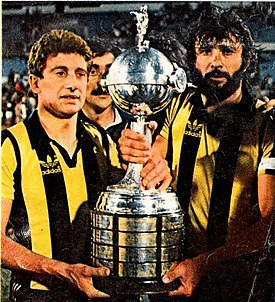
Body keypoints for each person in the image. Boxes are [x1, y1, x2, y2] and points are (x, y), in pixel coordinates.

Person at [118, 5, 275, 301]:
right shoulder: (179, 105)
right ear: (193, 58)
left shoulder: (264, 124)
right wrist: (138, 153)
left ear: (246, 59)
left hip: (233, 277)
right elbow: (156, 155)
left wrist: (205, 263)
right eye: (206, 51)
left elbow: (269, 222)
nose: (216, 61)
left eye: (227, 51)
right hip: (174, 272)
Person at [1, 29, 113, 302]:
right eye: (61, 73)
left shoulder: (101, 142)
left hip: (99, 292)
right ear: (35, 83)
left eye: (80, 73)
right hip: (38, 295)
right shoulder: (12, 145)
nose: (73, 84)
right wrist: (61, 271)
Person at [78, 36, 133, 145]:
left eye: (110, 71)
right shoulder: (66, 128)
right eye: (93, 72)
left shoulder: (135, 124)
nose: (103, 82)